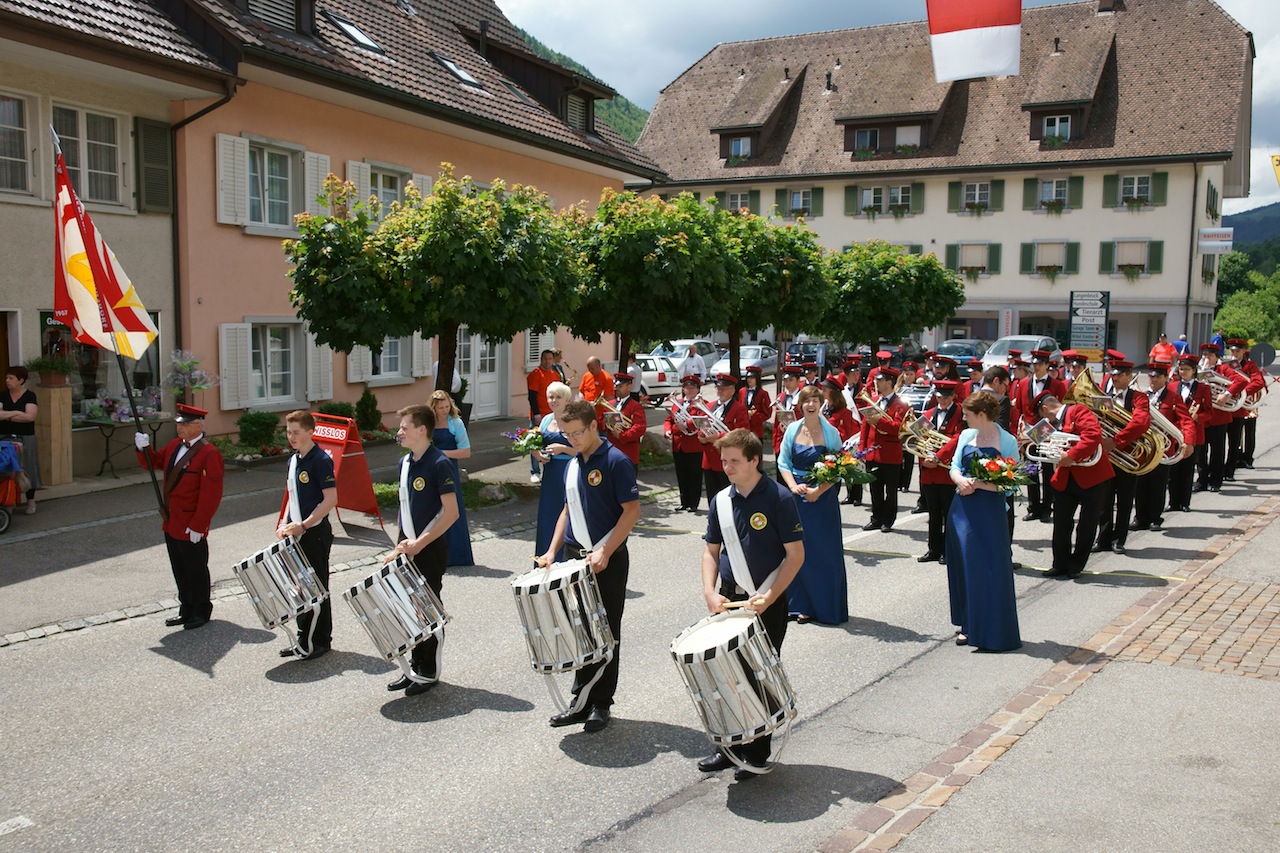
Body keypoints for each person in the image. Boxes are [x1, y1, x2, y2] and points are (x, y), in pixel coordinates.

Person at [697, 429, 805, 780]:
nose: (725, 467)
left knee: (758, 675)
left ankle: (757, 751)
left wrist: (770, 597)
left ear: (754, 460)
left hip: (767, 598)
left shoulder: (778, 498)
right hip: (730, 597)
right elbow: (711, 552)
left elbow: (795, 556)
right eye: (722, 460)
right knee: (725, 675)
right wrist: (710, 592)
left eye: (733, 461)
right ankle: (728, 747)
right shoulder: (721, 500)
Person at [538, 400, 641, 732]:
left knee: (606, 632)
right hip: (574, 557)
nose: (572, 439)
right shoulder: (573, 462)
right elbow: (567, 510)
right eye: (567, 434)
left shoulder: (615, 461)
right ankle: (580, 701)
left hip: (606, 559)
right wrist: (551, 551)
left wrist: (606, 551)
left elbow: (631, 511)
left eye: (577, 433)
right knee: (580, 630)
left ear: (594, 426)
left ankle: (601, 703)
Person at [386, 403, 459, 696]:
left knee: (427, 609)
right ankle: (415, 667)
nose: (399, 432)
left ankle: (428, 671)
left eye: (404, 427)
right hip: (409, 547)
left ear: (421, 430)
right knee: (409, 608)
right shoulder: (405, 463)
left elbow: (451, 513)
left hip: (429, 548)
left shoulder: (439, 463)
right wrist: (400, 544)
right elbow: (405, 508)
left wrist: (421, 543)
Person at [134, 404, 225, 630]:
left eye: (185, 424)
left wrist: (199, 525)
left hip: (190, 523)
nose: (180, 428)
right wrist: (142, 448)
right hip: (172, 520)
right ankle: (186, 608)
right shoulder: (175, 445)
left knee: (195, 569)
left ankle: (201, 610)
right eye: (179, 424)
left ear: (198, 426)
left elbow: (210, 495)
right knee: (180, 568)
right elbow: (154, 462)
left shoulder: (209, 454)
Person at [946, 391, 1022, 651]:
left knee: (989, 569)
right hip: (961, 510)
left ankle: (992, 628)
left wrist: (979, 483)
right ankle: (969, 625)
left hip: (990, 512)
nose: (963, 418)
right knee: (965, 566)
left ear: (981, 415)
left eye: (967, 414)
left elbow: (1011, 483)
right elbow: (954, 466)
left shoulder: (1007, 440)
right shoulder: (967, 436)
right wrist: (959, 480)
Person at [777, 386, 848, 625]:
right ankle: (798, 604)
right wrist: (792, 486)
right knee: (795, 550)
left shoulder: (831, 432)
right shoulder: (793, 430)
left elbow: (839, 468)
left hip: (821, 499)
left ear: (821, 404)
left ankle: (824, 606)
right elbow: (783, 462)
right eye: (807, 400)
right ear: (801, 404)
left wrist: (818, 491)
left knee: (821, 552)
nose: (811, 405)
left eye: (815, 400)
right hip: (796, 498)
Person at [276, 410, 338, 660]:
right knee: (300, 588)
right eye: (288, 432)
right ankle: (304, 637)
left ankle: (321, 640)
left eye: (296, 432)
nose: (291, 437)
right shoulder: (293, 460)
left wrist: (305, 524)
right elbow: (292, 495)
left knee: (318, 587)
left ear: (310, 432)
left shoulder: (320, 460)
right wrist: (284, 522)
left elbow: (330, 499)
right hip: (296, 533)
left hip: (315, 533)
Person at [1035, 394, 1115, 579]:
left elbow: (1093, 436)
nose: (1042, 421)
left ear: (1045, 409)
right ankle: (1060, 564)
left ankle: (1076, 565)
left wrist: (1071, 455)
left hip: (1092, 476)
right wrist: (1024, 441)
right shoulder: (1051, 424)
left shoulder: (1077, 411)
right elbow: (1033, 440)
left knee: (1087, 523)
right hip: (1065, 476)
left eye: (1041, 415)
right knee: (1061, 522)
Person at [1092, 361, 1150, 555]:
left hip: (1127, 456)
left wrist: (1117, 440)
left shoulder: (1139, 398)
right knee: (1103, 500)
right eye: (1112, 374)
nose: (1114, 378)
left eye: (1119, 375)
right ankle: (1103, 538)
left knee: (1125, 499)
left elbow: (1141, 423)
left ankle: (1119, 539)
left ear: (1128, 376)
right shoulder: (1103, 396)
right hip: (1106, 457)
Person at [1133, 363, 1195, 532]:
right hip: (1142, 447)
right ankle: (1140, 517)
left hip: (1162, 448)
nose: (1153, 380)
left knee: (1158, 483)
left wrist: (1188, 441)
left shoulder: (1173, 398)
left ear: (1166, 379)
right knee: (1140, 484)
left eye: (1158, 377)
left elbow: (1186, 420)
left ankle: (1154, 518)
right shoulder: (1141, 396)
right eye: (1151, 376)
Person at [917, 380, 965, 563]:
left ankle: (948, 549)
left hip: (946, 471)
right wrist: (925, 460)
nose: (942, 401)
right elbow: (918, 440)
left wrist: (938, 457)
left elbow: (958, 438)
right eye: (939, 397)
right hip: (929, 472)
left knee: (949, 513)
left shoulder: (960, 414)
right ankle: (933, 549)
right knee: (933, 513)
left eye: (946, 397)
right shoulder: (928, 414)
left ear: (953, 396)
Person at [859, 366, 908, 532]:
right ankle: (876, 518)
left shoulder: (901, 404)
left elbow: (898, 428)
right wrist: (862, 449)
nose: (876, 383)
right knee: (875, 489)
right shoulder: (875, 400)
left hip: (890, 454)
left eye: (880, 380)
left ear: (889, 382)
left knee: (891, 490)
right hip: (872, 451)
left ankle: (888, 519)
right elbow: (865, 426)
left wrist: (879, 421)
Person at [532, 381, 576, 561]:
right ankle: (546, 558)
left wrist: (563, 449)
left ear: (567, 399)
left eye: (558, 397)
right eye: (551, 397)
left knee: (569, 514)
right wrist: (536, 454)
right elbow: (536, 444)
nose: (554, 400)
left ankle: (567, 560)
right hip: (550, 473)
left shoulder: (573, 421)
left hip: (570, 471)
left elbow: (584, 451)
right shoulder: (546, 420)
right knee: (549, 514)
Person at [430, 390, 474, 567]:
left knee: (452, 509)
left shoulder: (456, 423)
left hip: (449, 470)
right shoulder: (429, 423)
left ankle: (456, 555)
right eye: (441, 407)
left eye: (447, 406)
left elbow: (466, 451)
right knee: (433, 510)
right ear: (434, 407)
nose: (444, 410)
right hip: (431, 471)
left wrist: (440, 454)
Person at [1196, 343, 1247, 492]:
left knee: (1217, 451)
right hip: (1201, 417)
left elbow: (1241, 381)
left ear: (1216, 357)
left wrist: (1227, 394)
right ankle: (1202, 480)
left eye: (1209, 355)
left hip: (1219, 416)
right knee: (1201, 452)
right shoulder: (1197, 371)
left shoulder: (1223, 369)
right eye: (1204, 355)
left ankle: (1215, 480)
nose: (1206, 358)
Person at [1167, 355, 1211, 512]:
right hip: (1174, 433)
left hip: (1194, 434)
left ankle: (1184, 502)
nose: (1183, 372)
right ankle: (1173, 502)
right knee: (1173, 470)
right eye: (1181, 369)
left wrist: (1198, 417)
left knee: (1187, 469)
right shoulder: (1172, 386)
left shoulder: (1203, 388)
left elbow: (1209, 412)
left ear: (1194, 370)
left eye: (1186, 369)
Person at [699, 373, 750, 499]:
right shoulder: (709, 406)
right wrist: (702, 439)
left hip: (727, 461)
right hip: (709, 459)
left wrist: (719, 436)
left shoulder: (739, 408)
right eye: (718, 388)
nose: (720, 391)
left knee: (728, 497)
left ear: (732, 390)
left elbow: (742, 433)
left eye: (723, 388)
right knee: (712, 497)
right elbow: (702, 427)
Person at [1, 366, 41, 514]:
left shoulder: (30, 396)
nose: (7, 381)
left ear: (21, 380)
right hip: (4, 437)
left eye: (11, 378)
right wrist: (17, 413)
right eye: (7, 378)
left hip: (26, 437)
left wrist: (7, 415)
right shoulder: (3, 396)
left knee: (28, 468)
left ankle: (31, 502)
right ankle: (9, 502)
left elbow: (30, 417)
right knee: (6, 470)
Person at [666, 375, 706, 512]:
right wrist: (668, 431)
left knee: (694, 475)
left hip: (694, 445)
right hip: (678, 445)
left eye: (692, 388)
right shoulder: (677, 404)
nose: (689, 390)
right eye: (687, 388)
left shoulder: (702, 404)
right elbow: (669, 420)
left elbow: (700, 420)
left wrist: (685, 425)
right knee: (681, 475)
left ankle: (693, 503)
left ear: (698, 389)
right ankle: (684, 502)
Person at [526, 349, 559, 483]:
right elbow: (532, 396)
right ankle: (535, 471)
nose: (547, 361)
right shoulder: (536, 374)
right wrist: (537, 414)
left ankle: (548, 470)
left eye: (550, 358)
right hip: (539, 415)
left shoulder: (555, 374)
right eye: (545, 358)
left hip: (552, 414)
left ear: (553, 360)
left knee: (550, 444)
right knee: (535, 443)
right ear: (541, 359)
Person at [602, 372, 646, 466]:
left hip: (628, 452)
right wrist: (604, 423)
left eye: (620, 386)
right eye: (616, 386)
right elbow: (602, 423)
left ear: (629, 387)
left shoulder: (635, 406)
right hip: (611, 450)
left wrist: (622, 436)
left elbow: (640, 427)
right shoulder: (609, 403)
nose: (616, 388)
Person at [739, 365, 773, 439]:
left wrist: (753, 416)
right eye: (748, 377)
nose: (749, 380)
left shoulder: (763, 393)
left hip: (756, 430)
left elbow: (767, 413)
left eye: (752, 378)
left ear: (757, 379)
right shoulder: (742, 391)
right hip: (743, 429)